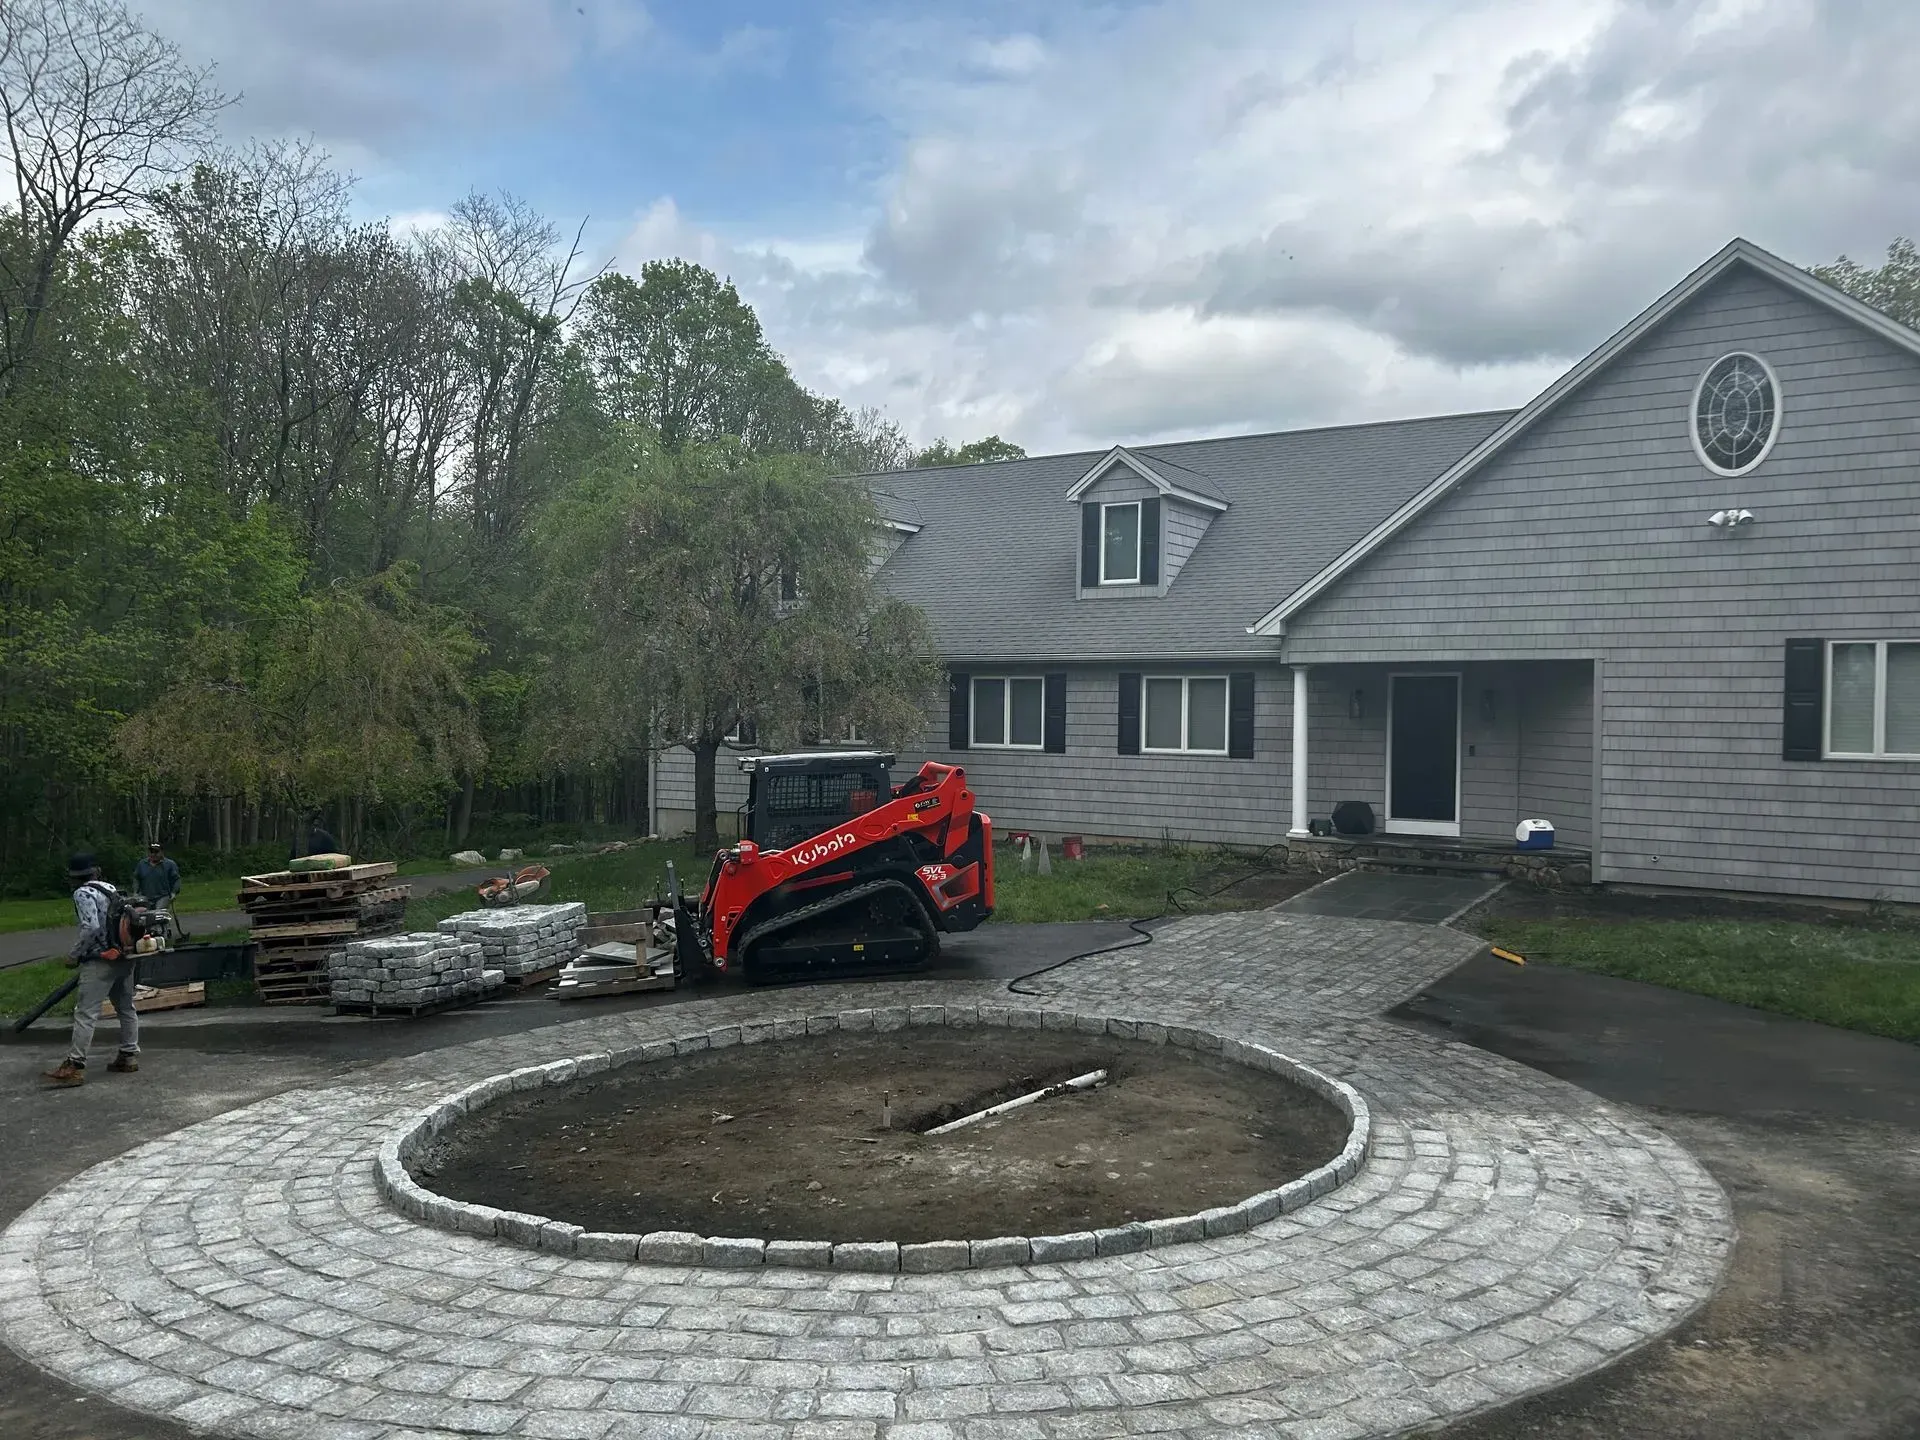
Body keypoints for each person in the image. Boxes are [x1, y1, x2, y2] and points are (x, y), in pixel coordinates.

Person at [41, 853, 140, 1088]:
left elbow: (91, 927)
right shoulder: (109, 888)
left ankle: (75, 1066)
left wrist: (74, 955)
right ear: (95, 872)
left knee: (85, 1013)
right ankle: (128, 1056)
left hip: (100, 960)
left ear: (75, 877)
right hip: (123, 956)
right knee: (126, 1007)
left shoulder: (82, 893)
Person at [132, 842, 181, 909]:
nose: (153, 854)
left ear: (162, 852)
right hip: (145, 897)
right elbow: (136, 878)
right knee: (140, 914)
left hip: (163, 896)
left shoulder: (169, 864)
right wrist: (135, 892)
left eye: (156, 852)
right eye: (151, 852)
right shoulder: (142, 864)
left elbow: (176, 879)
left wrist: (174, 892)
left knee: (158, 914)